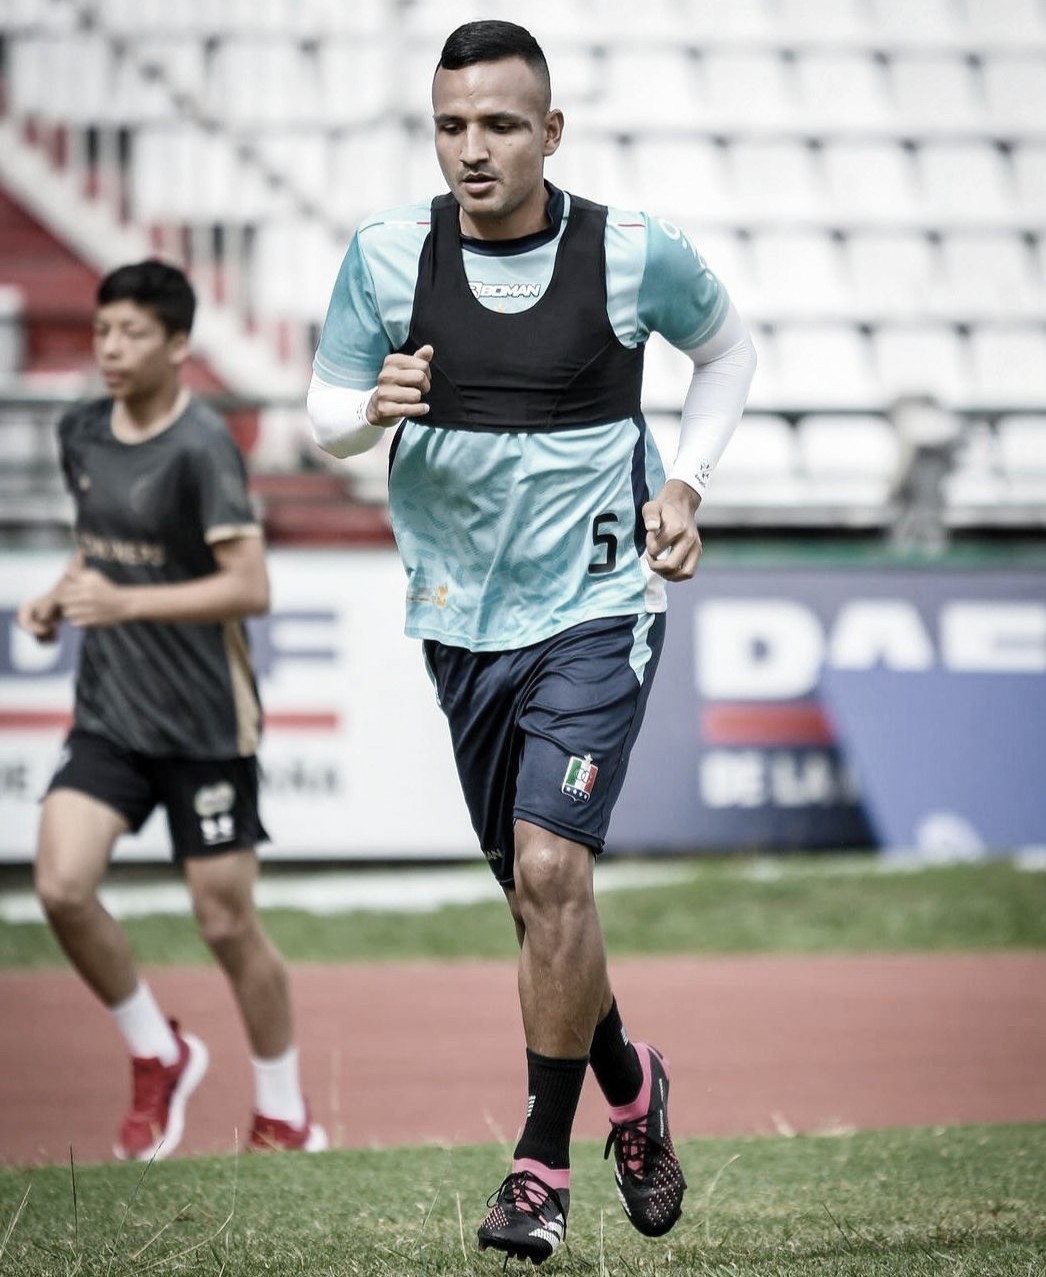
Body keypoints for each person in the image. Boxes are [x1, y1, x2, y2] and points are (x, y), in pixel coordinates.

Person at [308, 20, 756, 1264]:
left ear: (549, 131)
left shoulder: (628, 250)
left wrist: (688, 484)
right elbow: (322, 406)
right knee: (533, 899)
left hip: (602, 606)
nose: (471, 148)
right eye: (451, 124)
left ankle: (537, 1167)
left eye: (499, 124)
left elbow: (726, 351)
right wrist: (364, 415)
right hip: (459, 620)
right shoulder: (388, 255)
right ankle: (631, 1084)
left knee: (554, 874)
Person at [18, 260, 326, 1160]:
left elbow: (250, 585)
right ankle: (158, 1050)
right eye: (104, 329)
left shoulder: (202, 447)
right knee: (61, 886)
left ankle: (284, 1111)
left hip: (205, 721)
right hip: (110, 711)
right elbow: (101, 554)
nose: (111, 347)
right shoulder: (79, 430)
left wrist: (124, 603)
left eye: (133, 332)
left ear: (179, 344)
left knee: (226, 922)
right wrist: (57, 598)